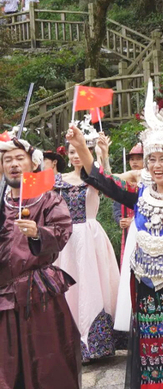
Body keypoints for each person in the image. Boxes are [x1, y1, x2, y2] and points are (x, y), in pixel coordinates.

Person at [66, 83, 163, 389]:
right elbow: (103, 180)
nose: (155, 165)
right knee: (153, 352)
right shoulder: (139, 194)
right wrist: (82, 147)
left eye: (162, 160)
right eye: (151, 159)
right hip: (146, 287)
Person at [0, 138, 80, 388]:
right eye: (7, 160)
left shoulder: (48, 199)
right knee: (8, 370)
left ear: (33, 164)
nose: (13, 164)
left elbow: (62, 232)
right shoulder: (1, 202)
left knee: (48, 365)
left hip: (38, 293)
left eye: (19, 158)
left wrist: (37, 233)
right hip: (3, 297)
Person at [53, 128, 121, 362]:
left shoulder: (94, 179)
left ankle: (97, 344)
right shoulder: (57, 181)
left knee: (93, 285)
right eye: (71, 152)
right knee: (70, 286)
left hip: (91, 237)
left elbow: (111, 185)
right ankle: (71, 343)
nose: (75, 156)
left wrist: (104, 156)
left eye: (79, 151)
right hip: (65, 240)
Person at [112, 143, 144, 266]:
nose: (134, 162)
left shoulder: (152, 180)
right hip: (127, 232)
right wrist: (120, 219)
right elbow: (116, 204)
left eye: (138, 158)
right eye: (132, 159)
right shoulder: (125, 180)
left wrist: (133, 221)